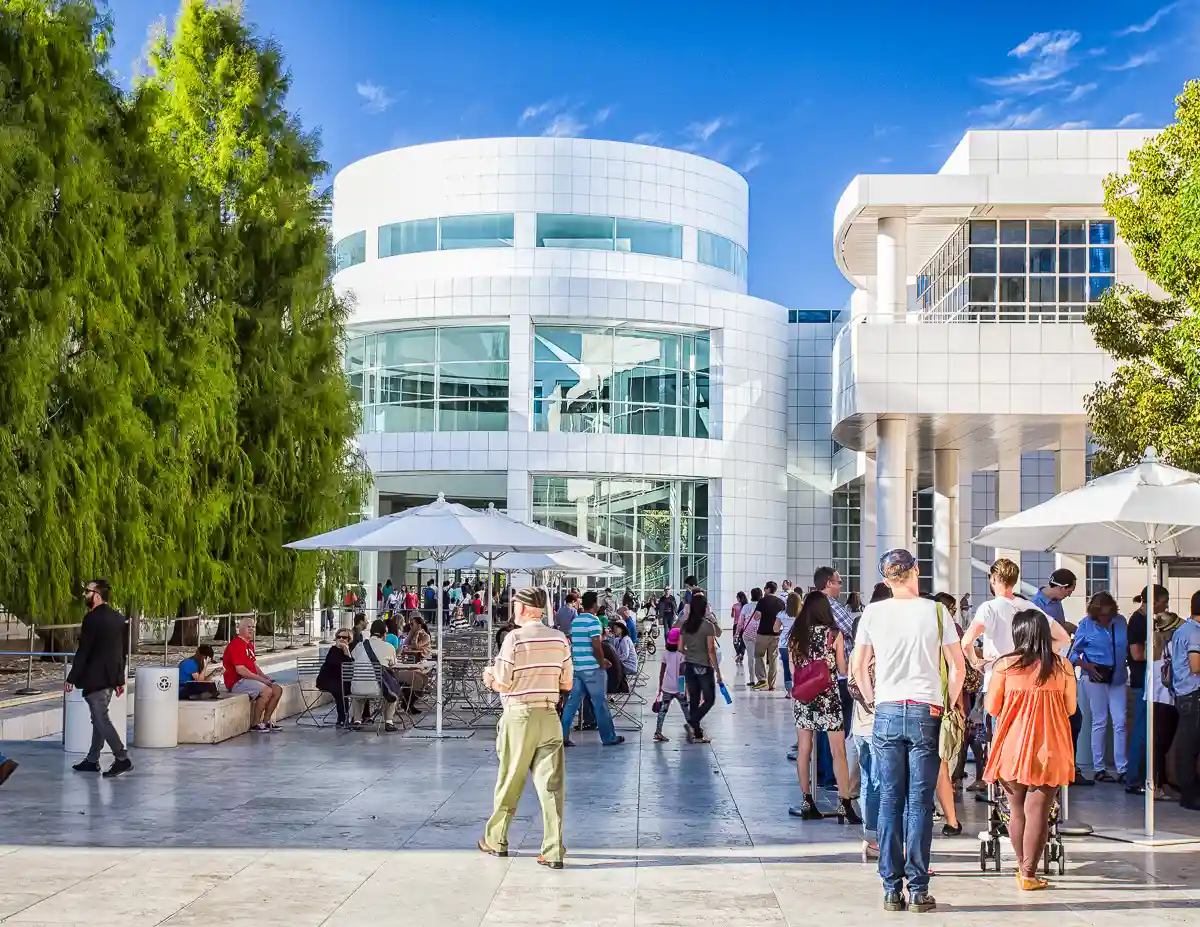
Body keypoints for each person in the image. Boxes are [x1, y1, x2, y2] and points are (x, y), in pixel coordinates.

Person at [852, 550, 964, 914]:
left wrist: (872, 700)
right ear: (916, 571)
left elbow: (858, 666)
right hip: (925, 711)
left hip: (886, 711)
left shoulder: (873, 612)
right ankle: (918, 889)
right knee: (918, 803)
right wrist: (946, 700)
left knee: (888, 799)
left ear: (886, 579)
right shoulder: (936, 611)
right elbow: (958, 667)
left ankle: (890, 888)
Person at [479, 586, 573, 869]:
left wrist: (488, 679)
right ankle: (554, 850)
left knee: (510, 779)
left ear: (522, 608)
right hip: (549, 715)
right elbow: (567, 684)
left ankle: (497, 839)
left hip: (519, 716)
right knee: (552, 787)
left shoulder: (514, 639)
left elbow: (504, 682)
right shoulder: (559, 639)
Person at [984, 609, 1077, 891]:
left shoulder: (1005, 666)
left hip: (1011, 744)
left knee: (1016, 810)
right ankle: (1029, 873)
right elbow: (1071, 708)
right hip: (1049, 747)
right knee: (1038, 810)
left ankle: (1023, 866)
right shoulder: (1062, 667)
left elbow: (991, 707)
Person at [787, 591, 859, 823]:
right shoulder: (833, 634)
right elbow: (842, 669)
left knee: (804, 751)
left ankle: (807, 801)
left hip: (804, 698)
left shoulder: (794, 635)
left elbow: (792, 669)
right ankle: (844, 804)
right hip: (828, 696)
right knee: (838, 751)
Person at [68, 579, 133, 777]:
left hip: (94, 677)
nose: (85, 595)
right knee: (99, 718)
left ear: (97, 595)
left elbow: (84, 651)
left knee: (101, 718)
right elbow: (121, 652)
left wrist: (71, 677)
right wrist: (120, 680)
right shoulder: (118, 618)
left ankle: (122, 758)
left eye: (87, 591)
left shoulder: (91, 619)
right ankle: (92, 759)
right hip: (110, 678)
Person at [849, 581, 891, 861]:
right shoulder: (879, 655)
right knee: (878, 783)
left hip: (861, 726)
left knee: (869, 781)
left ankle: (870, 834)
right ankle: (874, 836)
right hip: (875, 725)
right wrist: (874, 702)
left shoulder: (858, 652)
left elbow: (852, 683)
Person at [1068, 591, 1129, 783]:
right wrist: (1086, 666)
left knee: (1120, 721)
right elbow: (1072, 654)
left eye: (1107, 614)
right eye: (1101, 615)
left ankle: (1123, 767)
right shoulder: (1086, 625)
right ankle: (1099, 767)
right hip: (1094, 676)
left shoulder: (1120, 622)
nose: (1105, 618)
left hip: (1117, 676)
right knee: (1100, 721)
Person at [561, 590, 624, 746]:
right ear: (595, 605)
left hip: (578, 668)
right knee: (600, 704)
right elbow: (596, 645)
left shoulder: (576, 621)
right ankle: (608, 737)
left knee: (571, 704)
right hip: (593, 669)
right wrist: (602, 662)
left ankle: (562, 736)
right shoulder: (594, 622)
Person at [1127, 584, 1170, 795]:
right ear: (1153, 601)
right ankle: (1134, 779)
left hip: (1149, 679)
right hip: (1142, 679)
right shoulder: (1137, 621)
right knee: (1142, 731)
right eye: (1163, 602)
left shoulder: (1148, 620)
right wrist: (1160, 653)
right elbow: (1137, 654)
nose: (1166, 606)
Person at [223, 617, 285, 732]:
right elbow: (241, 670)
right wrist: (262, 680)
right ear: (240, 629)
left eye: (253, 627)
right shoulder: (236, 644)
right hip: (237, 682)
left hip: (249, 679)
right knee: (267, 691)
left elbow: (253, 665)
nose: (251, 629)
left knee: (277, 690)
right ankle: (255, 724)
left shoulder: (249, 645)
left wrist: (264, 676)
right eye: (248, 627)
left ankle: (266, 722)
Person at [1169, 592, 1200, 811]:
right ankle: (1190, 795)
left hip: (1184, 693)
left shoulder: (1183, 630)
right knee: (1190, 747)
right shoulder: (1195, 633)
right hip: (1194, 692)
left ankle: (1189, 792)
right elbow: (1196, 665)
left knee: (1188, 746)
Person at [680, 592, 722, 743]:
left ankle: (697, 734)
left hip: (689, 666)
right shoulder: (708, 626)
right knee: (709, 699)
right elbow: (711, 650)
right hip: (704, 666)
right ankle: (692, 722)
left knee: (694, 699)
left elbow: (680, 648)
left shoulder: (686, 625)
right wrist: (718, 672)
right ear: (704, 607)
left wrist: (690, 653)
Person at [350, 619, 401, 732]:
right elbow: (393, 664)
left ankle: (357, 720)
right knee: (393, 691)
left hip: (356, 689)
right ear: (384, 634)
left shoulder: (359, 646)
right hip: (379, 689)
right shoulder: (389, 647)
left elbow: (353, 658)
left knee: (359, 691)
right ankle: (389, 721)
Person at [750, 581, 785, 691]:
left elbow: (756, 617)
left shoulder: (762, 601)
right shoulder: (780, 602)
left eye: (765, 588)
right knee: (773, 658)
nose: (764, 590)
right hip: (776, 634)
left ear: (768, 589)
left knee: (759, 655)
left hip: (763, 633)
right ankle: (772, 684)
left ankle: (762, 679)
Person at [317, 628, 355, 727]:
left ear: (349, 639)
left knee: (347, 689)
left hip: (343, 681)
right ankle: (342, 718)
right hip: (329, 680)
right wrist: (340, 649)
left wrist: (346, 651)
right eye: (339, 637)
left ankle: (356, 718)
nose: (341, 639)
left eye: (344, 637)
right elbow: (335, 664)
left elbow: (350, 668)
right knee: (341, 691)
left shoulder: (351, 650)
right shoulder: (333, 650)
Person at [654, 628, 687, 742]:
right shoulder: (681, 655)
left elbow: (661, 672)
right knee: (686, 709)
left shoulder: (665, 654)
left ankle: (658, 732)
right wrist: (682, 690)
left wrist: (660, 687)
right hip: (678, 688)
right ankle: (693, 730)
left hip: (667, 687)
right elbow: (682, 673)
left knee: (663, 710)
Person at [741, 587, 762, 684]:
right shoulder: (763, 606)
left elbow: (741, 623)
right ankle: (761, 679)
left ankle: (752, 679)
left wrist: (737, 634)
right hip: (760, 633)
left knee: (750, 657)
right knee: (760, 657)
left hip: (748, 634)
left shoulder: (746, 607)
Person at [731, 591, 749, 664]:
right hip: (744, 625)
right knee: (743, 641)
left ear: (738, 598)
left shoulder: (735, 606)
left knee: (735, 640)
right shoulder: (747, 606)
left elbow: (732, 615)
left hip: (736, 624)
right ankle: (741, 654)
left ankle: (738, 653)